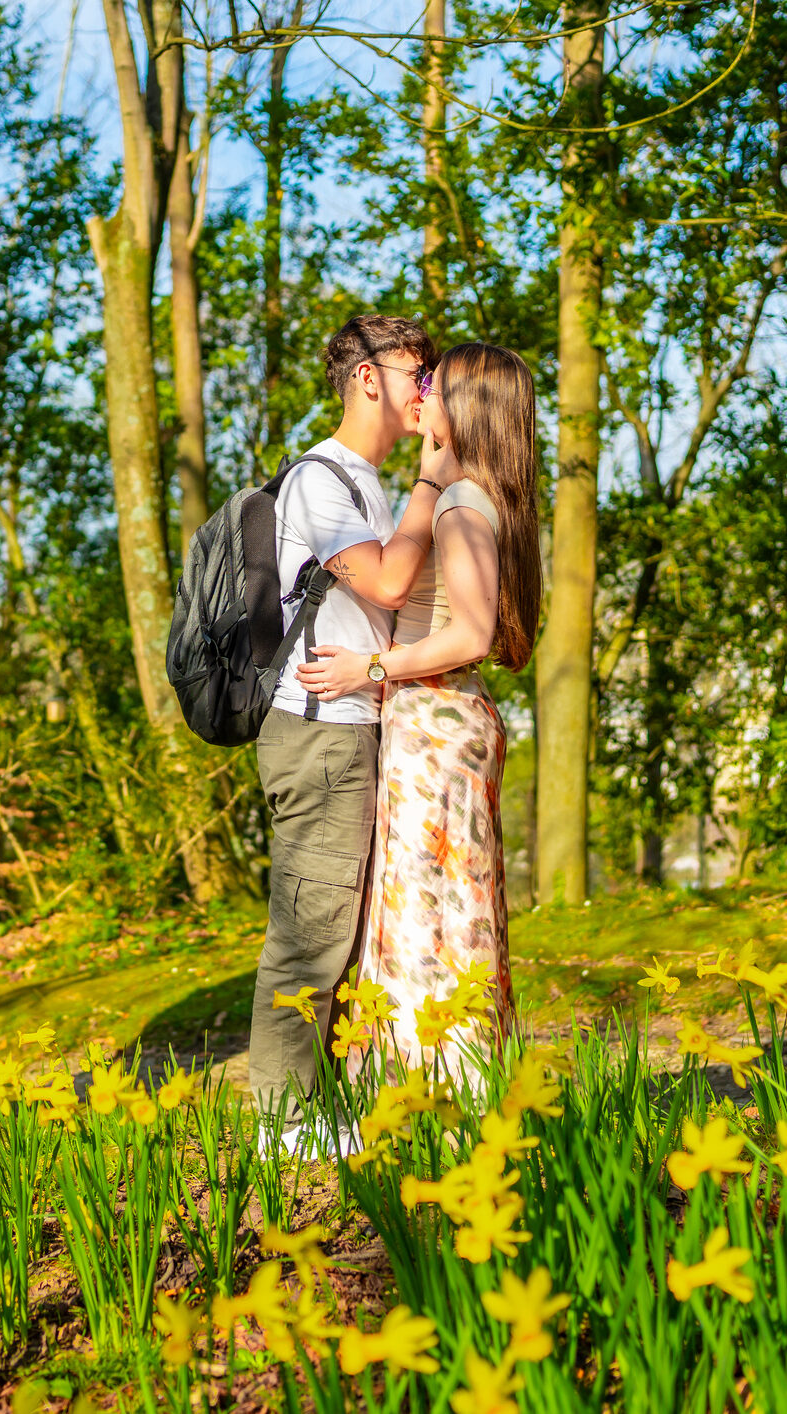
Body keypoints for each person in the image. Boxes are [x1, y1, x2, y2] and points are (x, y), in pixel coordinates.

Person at [296, 343, 541, 1078]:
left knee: (424, 911)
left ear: (463, 407)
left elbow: (468, 632)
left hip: (434, 725)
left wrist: (367, 666)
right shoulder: (484, 497)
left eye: (433, 386)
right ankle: (454, 1083)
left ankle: (431, 1088)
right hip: (449, 720)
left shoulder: (463, 505)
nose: (422, 396)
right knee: (446, 901)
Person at [249, 314, 457, 1154]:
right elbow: (387, 578)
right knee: (310, 929)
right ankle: (281, 1123)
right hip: (319, 734)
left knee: (347, 930)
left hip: (357, 725)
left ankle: (322, 1102)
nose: (430, 387)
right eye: (420, 370)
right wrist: (432, 481)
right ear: (368, 377)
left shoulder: (364, 483)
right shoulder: (322, 481)